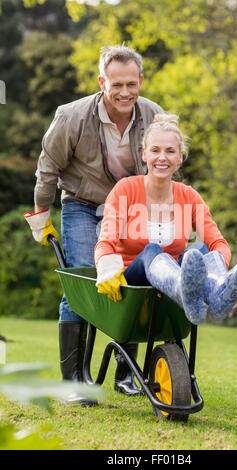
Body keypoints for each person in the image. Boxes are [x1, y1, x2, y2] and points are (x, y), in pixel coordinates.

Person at [24, 44, 164, 405]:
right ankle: (74, 380)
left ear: (141, 81)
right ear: (102, 81)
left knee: (135, 279)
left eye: (131, 84)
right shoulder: (71, 116)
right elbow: (48, 168)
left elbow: (165, 168)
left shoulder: (153, 115)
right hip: (82, 205)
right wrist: (41, 216)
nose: (124, 92)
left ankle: (127, 374)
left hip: (130, 208)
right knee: (82, 282)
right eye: (116, 84)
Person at [95, 114, 237, 326]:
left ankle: (219, 291)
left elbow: (218, 244)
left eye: (170, 151)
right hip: (132, 286)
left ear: (180, 157)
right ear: (144, 154)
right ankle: (183, 289)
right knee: (152, 250)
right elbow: (106, 240)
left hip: (174, 284)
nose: (162, 158)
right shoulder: (126, 189)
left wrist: (217, 265)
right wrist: (106, 268)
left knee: (199, 253)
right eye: (155, 150)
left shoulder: (189, 196)